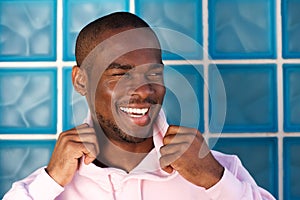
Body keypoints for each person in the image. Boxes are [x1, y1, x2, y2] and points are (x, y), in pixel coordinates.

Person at [3, 12, 275, 200]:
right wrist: (50, 183)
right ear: (81, 81)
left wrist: (215, 180)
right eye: (121, 74)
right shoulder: (45, 189)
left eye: (153, 74)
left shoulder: (219, 172)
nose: (144, 90)